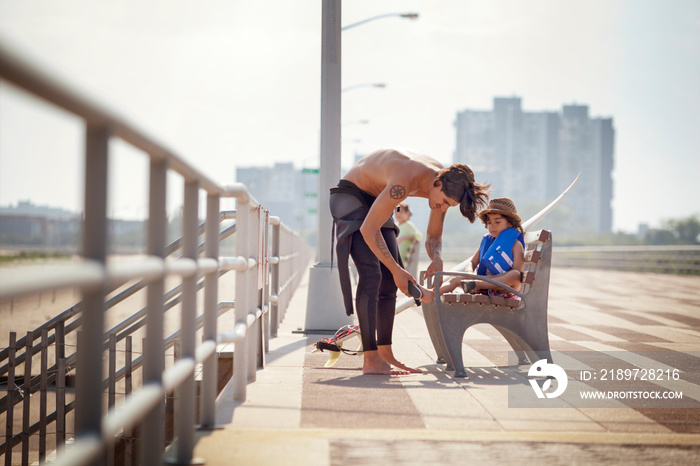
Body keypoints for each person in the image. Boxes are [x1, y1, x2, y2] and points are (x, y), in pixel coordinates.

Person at [329, 148, 489, 375]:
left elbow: (433, 236)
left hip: (376, 196)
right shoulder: (404, 182)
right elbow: (368, 229)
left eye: (448, 206)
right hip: (350, 195)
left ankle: (385, 354)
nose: (442, 208)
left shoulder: (445, 183)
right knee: (373, 275)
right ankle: (371, 360)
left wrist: (437, 257)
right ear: (437, 184)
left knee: (388, 282)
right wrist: (397, 270)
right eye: (443, 202)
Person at [439, 197, 525, 299]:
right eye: (489, 223)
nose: (492, 226)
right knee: (455, 279)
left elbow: (517, 276)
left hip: (504, 290)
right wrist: (469, 272)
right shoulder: (488, 242)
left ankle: (476, 284)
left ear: (510, 223)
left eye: (497, 222)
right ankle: (431, 293)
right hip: (482, 284)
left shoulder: (516, 245)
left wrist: (489, 279)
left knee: (515, 275)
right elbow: (472, 262)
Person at [395, 202, 422, 278]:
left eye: (401, 212)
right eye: (396, 212)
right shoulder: (396, 225)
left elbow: (418, 236)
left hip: (402, 259)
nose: (398, 214)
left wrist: (404, 238)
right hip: (396, 256)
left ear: (407, 213)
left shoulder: (408, 224)